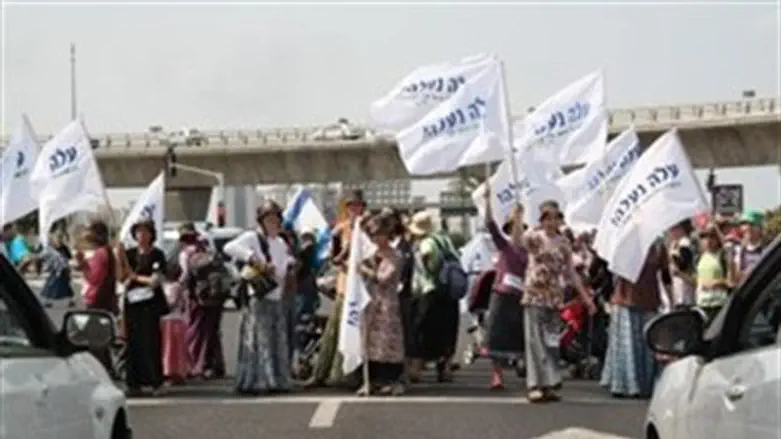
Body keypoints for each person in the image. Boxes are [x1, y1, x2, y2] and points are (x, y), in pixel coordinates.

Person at [522, 202, 596, 403]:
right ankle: (535, 384)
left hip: (554, 297)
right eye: (547, 217)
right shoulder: (534, 237)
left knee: (551, 341)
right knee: (534, 341)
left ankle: (550, 383)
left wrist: (586, 299)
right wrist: (518, 216)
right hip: (534, 294)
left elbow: (571, 272)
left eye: (554, 217)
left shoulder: (564, 243)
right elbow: (517, 239)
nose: (550, 221)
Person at [224, 200, 294, 395]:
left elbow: (284, 262)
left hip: (276, 294)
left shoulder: (280, 242)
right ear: (262, 221)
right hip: (259, 294)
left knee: (276, 337)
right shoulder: (252, 238)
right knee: (258, 337)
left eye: (276, 219)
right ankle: (257, 379)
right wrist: (255, 260)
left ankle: (278, 379)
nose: (273, 223)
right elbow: (229, 248)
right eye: (269, 219)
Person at [308, 189, 366, 388]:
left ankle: (351, 374)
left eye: (357, 205)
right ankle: (321, 373)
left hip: (362, 285)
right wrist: (341, 256)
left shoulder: (367, 227)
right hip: (344, 283)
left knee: (358, 331)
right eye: (351, 206)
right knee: (334, 330)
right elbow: (333, 257)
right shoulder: (341, 229)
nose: (354, 209)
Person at [600, 240, 671, 399]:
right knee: (628, 346)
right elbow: (612, 271)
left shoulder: (658, 246)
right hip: (625, 300)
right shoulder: (623, 242)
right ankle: (625, 385)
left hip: (650, 301)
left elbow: (665, 274)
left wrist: (671, 300)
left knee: (647, 345)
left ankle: (645, 385)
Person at [482, 183, 527, 390]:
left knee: (518, 336)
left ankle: (524, 369)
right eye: (513, 227)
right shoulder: (504, 246)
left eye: (520, 227)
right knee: (495, 336)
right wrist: (487, 200)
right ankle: (496, 375)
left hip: (520, 297)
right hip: (502, 294)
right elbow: (490, 224)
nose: (517, 231)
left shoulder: (529, 251)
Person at [117, 218, 169, 396]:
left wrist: (136, 277)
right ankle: (133, 382)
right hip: (132, 303)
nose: (142, 235)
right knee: (132, 343)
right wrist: (119, 257)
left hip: (150, 304)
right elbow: (121, 277)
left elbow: (155, 280)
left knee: (151, 341)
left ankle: (155, 381)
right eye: (138, 232)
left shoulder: (157, 255)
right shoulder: (129, 254)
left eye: (145, 232)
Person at [407, 211, 460, 383]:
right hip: (449, 292)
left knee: (422, 331)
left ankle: (416, 369)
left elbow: (428, 258)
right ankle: (445, 368)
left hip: (430, 292)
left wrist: (428, 269)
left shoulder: (426, 243)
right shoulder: (445, 240)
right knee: (447, 331)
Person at [358, 214, 406, 396]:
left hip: (387, 303)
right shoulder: (371, 254)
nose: (378, 238)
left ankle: (393, 380)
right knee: (370, 341)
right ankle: (371, 380)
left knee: (387, 342)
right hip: (370, 302)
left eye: (382, 234)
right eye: (375, 235)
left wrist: (365, 270)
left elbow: (383, 278)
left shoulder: (395, 255)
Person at [179, 223, 226, 380]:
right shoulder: (208, 248)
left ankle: (196, 366)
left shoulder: (186, 254)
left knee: (196, 332)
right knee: (212, 331)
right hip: (215, 295)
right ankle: (215, 365)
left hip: (197, 297)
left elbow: (185, 277)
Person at [161, 263, 190, 384]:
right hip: (174, 319)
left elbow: (171, 302)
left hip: (171, 320)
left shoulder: (174, 287)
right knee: (171, 348)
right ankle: (174, 372)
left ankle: (172, 373)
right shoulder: (174, 286)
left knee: (170, 349)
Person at [695, 225, 730, 322]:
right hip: (702, 305)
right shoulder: (699, 258)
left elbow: (732, 281)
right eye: (704, 237)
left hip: (719, 305)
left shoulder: (722, 256)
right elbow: (697, 281)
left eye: (711, 237)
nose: (708, 240)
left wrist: (719, 283)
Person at [729, 209, 766, 285]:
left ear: (760, 228)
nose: (748, 228)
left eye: (752, 224)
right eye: (744, 224)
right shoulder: (737, 251)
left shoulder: (767, 249)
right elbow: (733, 281)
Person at [39, 233, 75, 308]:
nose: (58, 241)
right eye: (56, 239)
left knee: (55, 286)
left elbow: (68, 258)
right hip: (56, 271)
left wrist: (67, 268)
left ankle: (70, 301)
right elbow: (45, 258)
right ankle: (48, 301)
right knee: (53, 286)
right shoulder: (51, 250)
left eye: (59, 238)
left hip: (61, 271)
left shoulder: (63, 248)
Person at [667, 220, 697, 308]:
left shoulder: (685, 243)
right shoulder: (673, 245)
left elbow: (684, 265)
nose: (672, 232)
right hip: (678, 294)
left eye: (674, 228)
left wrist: (673, 259)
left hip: (687, 295)